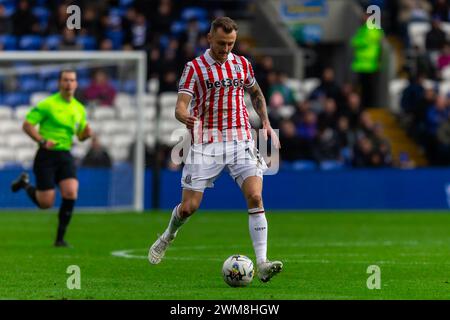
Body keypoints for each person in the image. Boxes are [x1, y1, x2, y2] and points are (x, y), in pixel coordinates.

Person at [148, 17, 283, 283]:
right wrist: (184, 117)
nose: (226, 48)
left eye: (231, 43)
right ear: (209, 38)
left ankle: (263, 262)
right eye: (221, 43)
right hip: (206, 142)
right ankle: (168, 236)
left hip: (241, 139)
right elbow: (180, 106)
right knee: (189, 208)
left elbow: (256, 94)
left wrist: (265, 122)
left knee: (255, 197)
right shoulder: (195, 68)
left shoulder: (242, 63)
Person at [10, 70, 92, 247]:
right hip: (46, 155)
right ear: (59, 83)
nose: (69, 83)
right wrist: (42, 141)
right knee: (45, 203)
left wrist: (85, 135)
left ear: (76, 84)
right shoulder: (48, 104)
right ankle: (25, 184)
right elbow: (27, 125)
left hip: (65, 154)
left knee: (70, 192)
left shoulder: (79, 108)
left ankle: (60, 239)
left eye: (72, 80)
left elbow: (80, 136)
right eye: (65, 80)